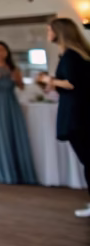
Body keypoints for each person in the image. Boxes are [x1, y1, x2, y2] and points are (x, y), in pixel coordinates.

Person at [40, 18, 90, 217]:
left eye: (49, 30)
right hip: (82, 113)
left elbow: (71, 83)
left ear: (59, 32)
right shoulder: (79, 54)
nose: (47, 34)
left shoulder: (70, 56)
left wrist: (48, 79)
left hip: (77, 116)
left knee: (88, 160)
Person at [0, 41, 37, 185]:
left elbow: (22, 87)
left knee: (13, 134)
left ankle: (18, 171)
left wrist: (17, 79)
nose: (0, 53)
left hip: (10, 103)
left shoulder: (13, 68)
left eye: (2, 50)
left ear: (7, 52)